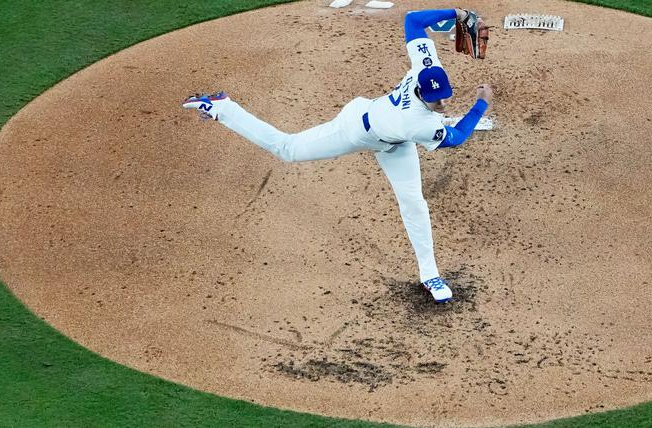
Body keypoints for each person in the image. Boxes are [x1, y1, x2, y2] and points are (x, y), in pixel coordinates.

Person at [182, 8, 491, 303]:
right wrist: (481, 103)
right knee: (287, 149)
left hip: (394, 142)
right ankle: (222, 107)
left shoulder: (426, 66)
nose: (442, 105)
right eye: (436, 102)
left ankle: (430, 275)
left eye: (443, 99)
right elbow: (457, 137)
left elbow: (413, 21)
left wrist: (457, 14)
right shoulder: (419, 123)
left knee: (413, 202)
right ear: (423, 94)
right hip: (355, 129)